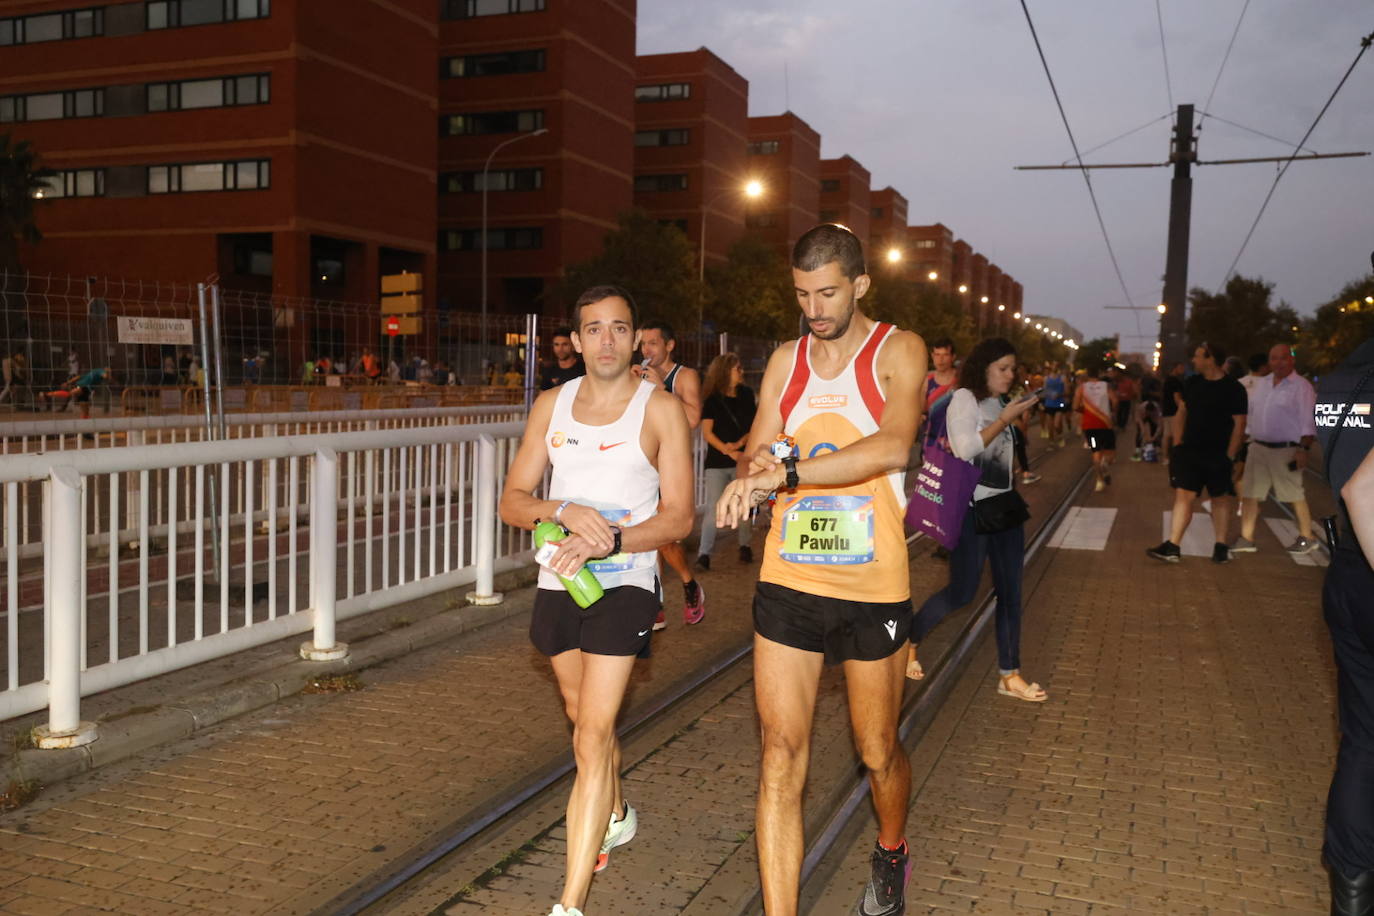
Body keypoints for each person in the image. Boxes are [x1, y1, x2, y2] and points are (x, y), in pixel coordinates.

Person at [716, 224, 926, 916]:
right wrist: (747, 479)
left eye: (828, 292)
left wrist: (793, 470)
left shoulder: (899, 350)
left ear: (860, 284)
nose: (815, 308)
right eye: (804, 294)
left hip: (874, 584)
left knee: (876, 752)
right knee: (780, 754)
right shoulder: (786, 360)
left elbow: (894, 446)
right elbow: (756, 449)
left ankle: (891, 849)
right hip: (790, 578)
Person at [499, 285, 693, 916]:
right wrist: (564, 510)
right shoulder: (550, 406)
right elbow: (513, 501)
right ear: (576, 340)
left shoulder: (660, 410)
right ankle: (616, 811)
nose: (606, 340)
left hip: (628, 581)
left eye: (619, 328)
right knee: (581, 714)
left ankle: (569, 904)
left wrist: (609, 540)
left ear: (636, 339)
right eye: (594, 329)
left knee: (591, 736)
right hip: (560, 582)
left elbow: (679, 520)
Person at [907, 337, 1046, 703]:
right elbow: (967, 447)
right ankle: (910, 637)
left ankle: (1009, 674)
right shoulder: (964, 399)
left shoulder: (1004, 401)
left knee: (1011, 594)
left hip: (1005, 507)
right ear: (984, 368)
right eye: (1003, 368)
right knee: (962, 593)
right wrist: (1005, 420)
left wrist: (1015, 416)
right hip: (972, 511)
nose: (1010, 374)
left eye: (1013, 368)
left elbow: (1005, 455)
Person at [1316, 329, 1374, 916]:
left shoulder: (1343, 377)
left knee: (1363, 740)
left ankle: (1353, 894)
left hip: (1351, 576)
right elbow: (1365, 488)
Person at [1147, 342, 1248, 564]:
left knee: (1219, 498)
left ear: (1210, 359)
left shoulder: (1235, 389)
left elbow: (1239, 424)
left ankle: (1220, 546)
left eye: (1198, 356)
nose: (1194, 360)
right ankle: (1173, 545)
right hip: (1190, 451)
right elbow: (1182, 412)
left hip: (1219, 454)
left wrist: (1230, 456)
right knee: (1184, 496)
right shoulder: (1192, 383)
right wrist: (1179, 443)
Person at [635, 320, 706, 627]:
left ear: (669, 345)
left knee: (662, 538)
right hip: (643, 467)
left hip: (672, 469)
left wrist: (663, 389)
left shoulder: (685, 375)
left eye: (653, 343)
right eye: (643, 344)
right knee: (647, 536)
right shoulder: (635, 374)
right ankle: (656, 603)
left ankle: (689, 583)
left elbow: (691, 419)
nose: (647, 350)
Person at [1230, 343, 1320, 555]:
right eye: (1273, 358)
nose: (1278, 362)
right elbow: (1253, 414)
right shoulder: (1263, 384)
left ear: (1292, 360)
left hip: (1286, 450)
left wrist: (1303, 449)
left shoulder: (1301, 386)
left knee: (1294, 495)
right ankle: (1246, 538)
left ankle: (1308, 537)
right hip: (1258, 448)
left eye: (1283, 358)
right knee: (1251, 495)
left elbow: (1309, 420)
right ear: (1269, 361)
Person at [697, 353, 756, 569]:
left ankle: (745, 546)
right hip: (717, 462)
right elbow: (707, 432)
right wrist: (728, 451)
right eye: (737, 368)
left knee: (744, 503)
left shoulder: (747, 395)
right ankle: (704, 554)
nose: (741, 372)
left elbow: (755, 426)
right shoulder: (712, 399)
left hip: (742, 457)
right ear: (725, 372)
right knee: (713, 507)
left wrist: (739, 445)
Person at [924, 337, 960, 559]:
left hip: (955, 445)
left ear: (953, 357)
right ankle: (943, 538)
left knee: (951, 493)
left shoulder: (961, 382)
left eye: (945, 354)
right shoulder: (926, 381)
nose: (940, 359)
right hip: (931, 444)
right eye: (936, 354)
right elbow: (919, 410)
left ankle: (949, 539)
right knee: (935, 494)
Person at [1073, 363, 1118, 492]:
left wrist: (1084, 411)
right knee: (1111, 454)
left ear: (1087, 374)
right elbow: (1115, 401)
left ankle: (1099, 480)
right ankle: (1105, 464)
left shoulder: (1081, 388)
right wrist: (1113, 412)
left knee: (1095, 451)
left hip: (1089, 427)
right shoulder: (1106, 386)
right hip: (1106, 425)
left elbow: (1075, 406)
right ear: (1099, 374)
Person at [1161, 361, 1186, 462]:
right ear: (1175, 368)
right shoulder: (1175, 381)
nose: (1183, 370)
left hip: (1166, 410)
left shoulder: (1167, 380)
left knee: (1167, 434)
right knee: (1173, 434)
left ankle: (1165, 456)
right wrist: (1182, 410)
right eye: (1181, 367)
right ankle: (1171, 457)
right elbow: (1177, 397)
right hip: (1174, 411)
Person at [1041, 361, 1070, 447]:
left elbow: (1067, 391)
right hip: (1049, 404)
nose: (1054, 367)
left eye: (1056, 365)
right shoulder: (1046, 378)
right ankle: (1051, 442)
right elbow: (1043, 391)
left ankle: (1060, 436)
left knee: (1056, 424)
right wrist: (1045, 396)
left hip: (1059, 404)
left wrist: (1059, 395)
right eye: (1053, 365)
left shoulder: (1062, 378)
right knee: (1050, 426)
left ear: (1058, 367)